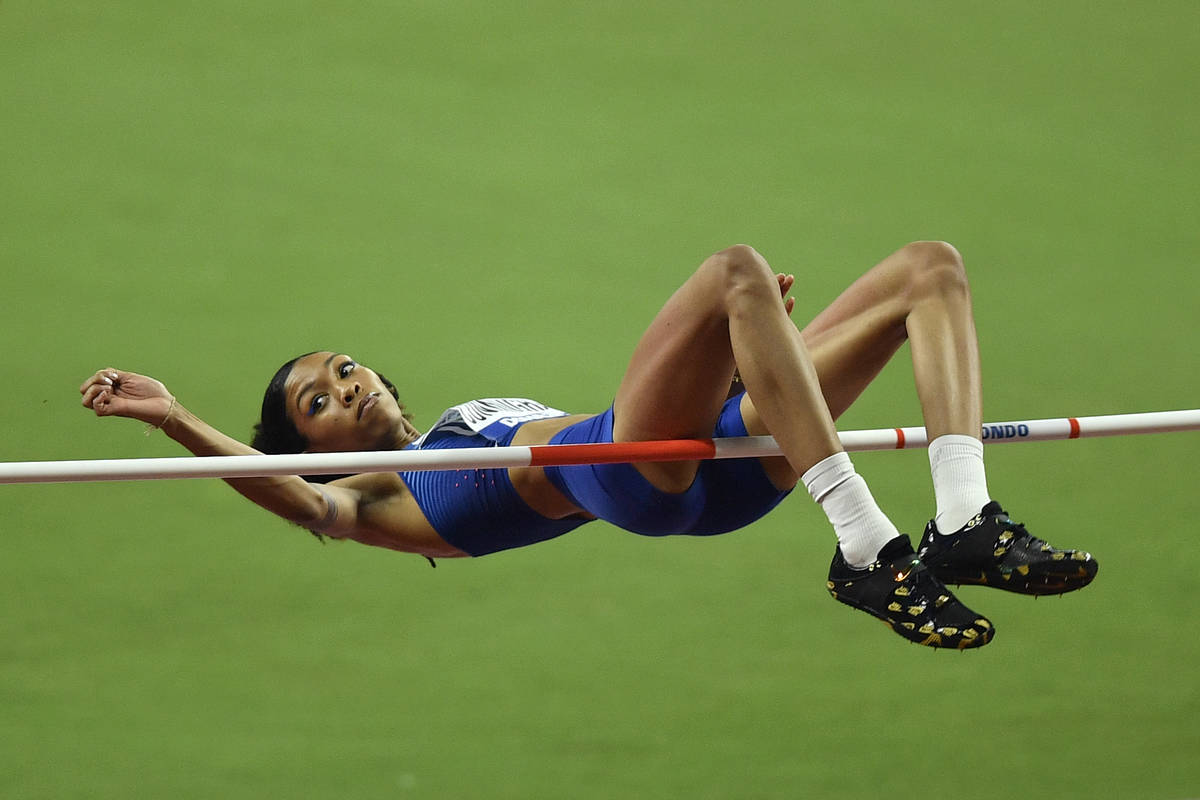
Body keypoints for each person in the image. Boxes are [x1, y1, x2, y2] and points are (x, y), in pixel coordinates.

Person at [80, 242, 1097, 649]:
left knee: (929, 270)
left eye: (342, 365)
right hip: (634, 470)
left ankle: (964, 520)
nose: (346, 382)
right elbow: (305, 507)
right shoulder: (379, 500)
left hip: (720, 457)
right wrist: (175, 418)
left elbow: (710, 395)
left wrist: (752, 360)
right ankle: (868, 547)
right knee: (732, 271)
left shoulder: (448, 425)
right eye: (317, 398)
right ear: (309, 447)